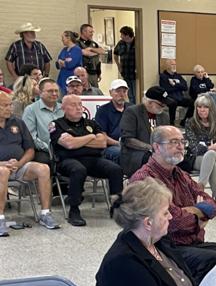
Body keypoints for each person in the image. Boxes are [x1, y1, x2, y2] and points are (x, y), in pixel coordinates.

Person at [130, 126, 216, 280]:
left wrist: (193, 210)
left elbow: (212, 205)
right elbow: (173, 222)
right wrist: (199, 215)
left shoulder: (180, 174)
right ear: (156, 147)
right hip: (164, 248)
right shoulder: (145, 179)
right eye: (173, 142)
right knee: (212, 259)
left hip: (192, 242)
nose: (180, 146)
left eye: (182, 142)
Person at [49, 94, 124, 226]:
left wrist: (77, 140)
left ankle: (117, 206)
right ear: (63, 108)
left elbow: (102, 143)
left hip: (92, 159)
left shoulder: (91, 123)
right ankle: (74, 209)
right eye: (73, 105)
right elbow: (69, 145)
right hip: (67, 160)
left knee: (115, 169)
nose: (78, 108)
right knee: (78, 170)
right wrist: (90, 137)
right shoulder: (56, 124)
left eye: (80, 104)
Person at [0, 92, 59, 236]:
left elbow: (30, 149)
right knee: (3, 171)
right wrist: (3, 163)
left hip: (18, 166)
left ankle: (45, 213)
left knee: (43, 168)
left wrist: (19, 163)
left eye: (10, 105)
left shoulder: (17, 122)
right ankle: (0, 218)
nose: (10, 108)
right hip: (2, 167)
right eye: (5, 105)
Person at [183, 95, 216, 213]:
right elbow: (193, 147)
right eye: (199, 107)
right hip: (197, 159)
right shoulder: (190, 123)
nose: (201, 110)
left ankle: (199, 189)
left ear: (211, 109)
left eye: (205, 107)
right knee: (210, 158)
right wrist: (210, 147)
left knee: (211, 155)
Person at [120, 86, 172, 177]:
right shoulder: (132, 112)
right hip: (136, 153)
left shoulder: (164, 115)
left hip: (159, 152)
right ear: (149, 102)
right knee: (156, 161)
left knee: (180, 160)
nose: (163, 107)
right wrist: (151, 148)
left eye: (165, 104)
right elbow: (128, 140)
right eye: (161, 104)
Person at [22, 78, 62, 165]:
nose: (54, 94)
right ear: (40, 93)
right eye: (50, 91)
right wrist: (49, 148)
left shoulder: (64, 108)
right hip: (42, 150)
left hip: (65, 147)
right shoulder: (31, 110)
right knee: (45, 161)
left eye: (56, 91)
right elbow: (31, 137)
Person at [94, 79, 131, 162]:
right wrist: (119, 144)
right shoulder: (103, 110)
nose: (121, 94)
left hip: (130, 144)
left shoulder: (132, 109)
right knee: (121, 152)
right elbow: (102, 136)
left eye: (124, 91)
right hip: (110, 146)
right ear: (110, 93)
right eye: (118, 91)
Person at [159, 59, 192, 126]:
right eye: (172, 64)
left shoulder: (178, 76)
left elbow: (185, 87)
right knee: (173, 103)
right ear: (167, 66)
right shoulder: (163, 76)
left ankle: (184, 121)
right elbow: (166, 89)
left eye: (175, 64)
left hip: (179, 98)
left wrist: (175, 84)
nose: (174, 66)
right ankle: (172, 123)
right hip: (169, 98)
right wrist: (179, 87)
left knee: (193, 102)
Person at [112, 26, 136, 103]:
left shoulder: (137, 42)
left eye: (122, 34)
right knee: (129, 94)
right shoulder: (121, 43)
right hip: (125, 72)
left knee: (136, 93)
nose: (120, 36)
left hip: (135, 73)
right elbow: (115, 54)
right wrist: (118, 65)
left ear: (127, 35)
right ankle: (132, 108)